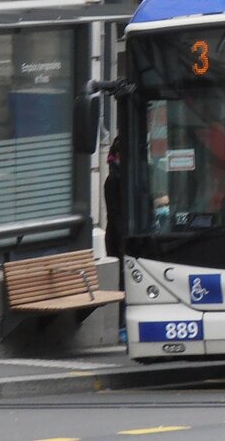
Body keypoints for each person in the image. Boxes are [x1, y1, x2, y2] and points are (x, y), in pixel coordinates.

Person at [104, 137, 126, 341]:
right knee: (122, 283)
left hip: (120, 237)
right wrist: (122, 243)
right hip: (118, 238)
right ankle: (121, 326)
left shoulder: (122, 176)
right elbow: (115, 214)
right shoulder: (114, 179)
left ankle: (123, 324)